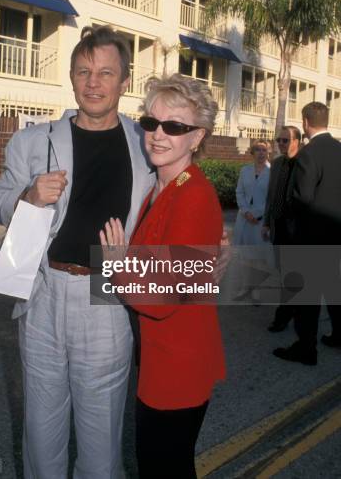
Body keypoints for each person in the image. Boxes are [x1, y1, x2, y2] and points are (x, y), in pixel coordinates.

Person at [0, 26, 155, 479]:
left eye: (105, 72)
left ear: (124, 82)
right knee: (41, 428)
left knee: (101, 437)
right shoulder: (33, 141)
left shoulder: (147, 145)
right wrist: (27, 195)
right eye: (84, 71)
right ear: (71, 77)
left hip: (106, 292)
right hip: (43, 290)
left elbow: (169, 209)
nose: (94, 82)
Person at [100, 74, 225, 479]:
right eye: (150, 122)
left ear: (197, 137)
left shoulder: (192, 195)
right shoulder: (166, 186)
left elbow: (163, 299)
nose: (157, 134)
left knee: (162, 468)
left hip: (178, 367)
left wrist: (118, 265)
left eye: (174, 126)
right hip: (164, 358)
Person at [274, 102, 341, 366]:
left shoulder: (308, 153)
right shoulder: (339, 149)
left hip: (310, 238)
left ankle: (306, 349)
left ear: (305, 122)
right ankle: (339, 335)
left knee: (307, 298)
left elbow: (303, 198)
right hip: (336, 234)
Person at [262, 125, 301, 331]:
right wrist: (266, 222)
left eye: (285, 140)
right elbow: (271, 196)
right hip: (278, 228)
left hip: (296, 231)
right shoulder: (276, 164)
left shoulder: (304, 163)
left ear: (297, 141)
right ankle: (290, 310)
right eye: (279, 140)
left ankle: (284, 316)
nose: (281, 144)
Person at [233, 139, 271, 301]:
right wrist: (246, 211)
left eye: (264, 150)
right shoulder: (245, 170)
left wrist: (259, 215)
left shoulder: (273, 172)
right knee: (244, 255)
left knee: (259, 257)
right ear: (252, 152)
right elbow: (239, 192)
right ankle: (244, 286)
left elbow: (272, 198)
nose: (261, 153)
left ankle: (257, 289)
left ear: (268, 152)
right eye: (257, 150)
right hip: (244, 219)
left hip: (261, 221)